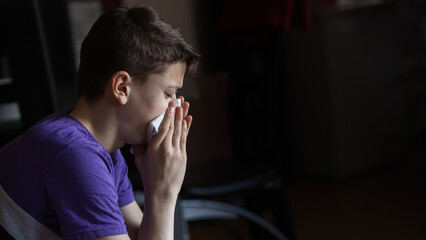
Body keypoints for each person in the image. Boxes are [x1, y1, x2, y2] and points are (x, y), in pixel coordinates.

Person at [0, 6, 199, 240]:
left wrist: (158, 187)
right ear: (122, 87)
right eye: (169, 94)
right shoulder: (76, 156)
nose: (175, 107)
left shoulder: (107, 155)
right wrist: (165, 192)